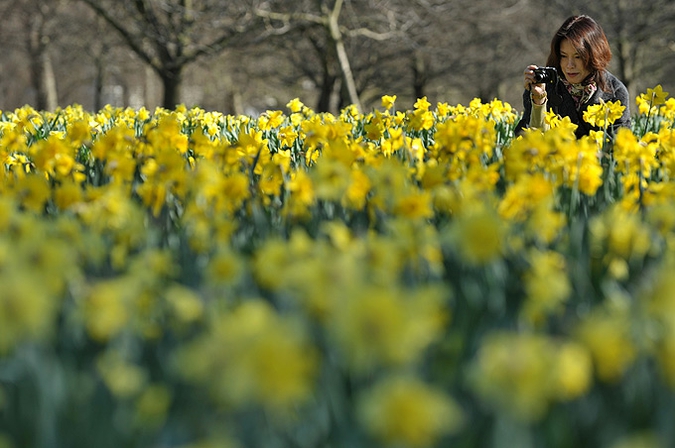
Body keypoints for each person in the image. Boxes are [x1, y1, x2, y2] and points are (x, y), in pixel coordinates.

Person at [515, 15, 631, 138]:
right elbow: (525, 140)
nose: (569, 65)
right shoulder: (544, 86)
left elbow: (620, 146)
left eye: (578, 57)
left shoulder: (615, 92)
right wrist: (539, 101)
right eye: (563, 56)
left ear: (595, 55)